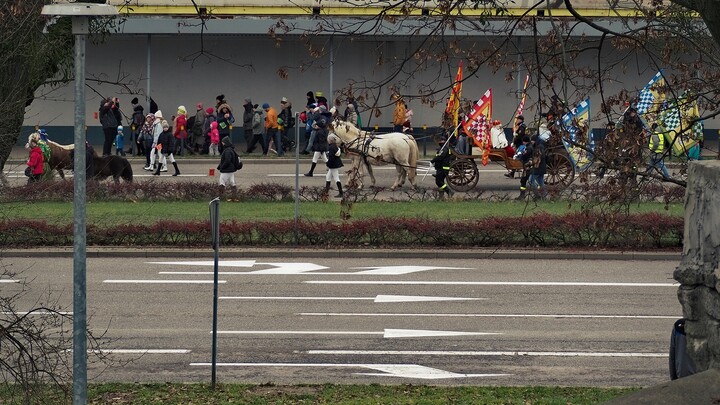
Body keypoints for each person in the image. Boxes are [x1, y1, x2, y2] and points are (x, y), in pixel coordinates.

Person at [304, 111, 329, 176]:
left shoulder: (319, 132)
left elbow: (320, 141)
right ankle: (330, 168)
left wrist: (320, 149)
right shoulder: (322, 131)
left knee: (315, 159)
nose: (315, 126)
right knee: (324, 159)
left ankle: (311, 172)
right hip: (320, 147)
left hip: (319, 148)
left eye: (316, 125)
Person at [527, 135, 547, 200]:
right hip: (542, 167)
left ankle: (537, 195)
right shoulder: (540, 146)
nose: (531, 142)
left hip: (538, 167)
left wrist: (530, 163)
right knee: (540, 181)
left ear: (535, 140)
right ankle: (544, 196)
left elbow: (536, 159)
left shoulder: (538, 148)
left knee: (531, 180)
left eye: (532, 140)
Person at [325, 134, 344, 198]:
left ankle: (341, 193)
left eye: (328, 139)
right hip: (335, 164)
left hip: (333, 165)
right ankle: (326, 192)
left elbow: (331, 158)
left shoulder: (331, 147)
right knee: (328, 177)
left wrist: (328, 164)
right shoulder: (335, 146)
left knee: (336, 178)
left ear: (330, 140)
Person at [514, 135, 532, 199]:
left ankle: (522, 195)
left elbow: (525, 155)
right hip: (528, 166)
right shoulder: (529, 147)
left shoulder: (528, 148)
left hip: (527, 166)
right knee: (526, 180)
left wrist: (519, 158)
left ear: (525, 141)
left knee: (523, 180)